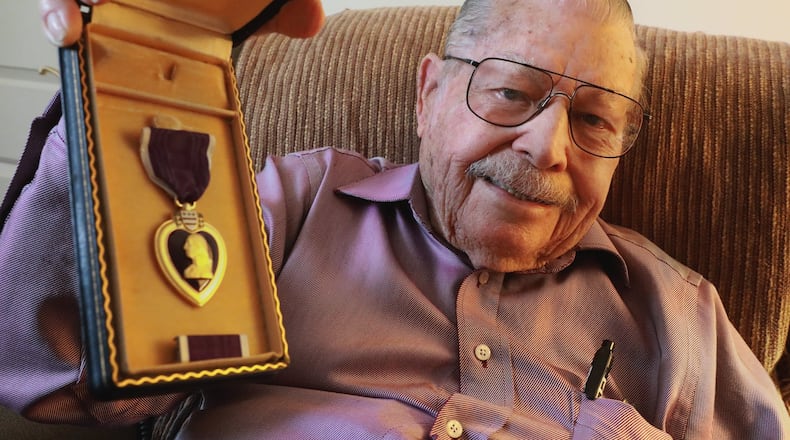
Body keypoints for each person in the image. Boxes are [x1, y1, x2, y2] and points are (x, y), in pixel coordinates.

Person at [2, 0, 788, 438]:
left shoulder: (679, 314)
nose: (548, 148)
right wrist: (123, 77)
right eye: (511, 92)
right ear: (428, 95)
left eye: (594, 121)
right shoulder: (290, 209)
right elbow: (60, 376)